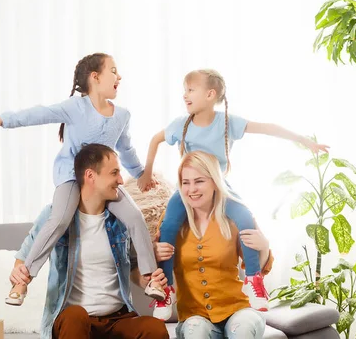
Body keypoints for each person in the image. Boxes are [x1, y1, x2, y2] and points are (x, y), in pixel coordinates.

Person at [0, 53, 162, 305]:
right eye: (113, 71)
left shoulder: (122, 116)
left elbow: (126, 150)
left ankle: (150, 279)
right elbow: (39, 114)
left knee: (135, 217)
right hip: (72, 177)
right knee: (59, 219)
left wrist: (140, 175)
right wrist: (3, 120)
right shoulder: (75, 107)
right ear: (95, 77)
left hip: (104, 182)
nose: (119, 76)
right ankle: (23, 279)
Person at [138, 68, 329, 318]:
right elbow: (155, 140)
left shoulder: (226, 123)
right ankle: (165, 291)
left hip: (220, 187)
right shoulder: (180, 125)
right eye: (184, 90)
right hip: (190, 188)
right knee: (168, 230)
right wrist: (147, 172)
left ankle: (253, 278)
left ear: (210, 94)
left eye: (190, 90)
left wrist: (305, 141)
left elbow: (268, 128)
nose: (185, 95)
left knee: (246, 219)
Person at [11, 143, 169, 339]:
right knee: (76, 316)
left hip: (117, 319)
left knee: (154, 330)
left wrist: (146, 281)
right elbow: (25, 255)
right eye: (114, 173)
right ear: (90, 176)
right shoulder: (55, 216)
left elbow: (134, 267)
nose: (121, 180)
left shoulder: (121, 220)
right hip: (73, 320)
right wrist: (19, 273)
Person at [154, 150, 272, 338]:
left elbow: (259, 264)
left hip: (238, 310)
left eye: (199, 181)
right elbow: (149, 272)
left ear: (215, 182)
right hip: (194, 315)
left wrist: (264, 246)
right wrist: (155, 254)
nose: (192, 189)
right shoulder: (170, 224)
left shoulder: (234, 219)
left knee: (243, 328)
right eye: (186, 183)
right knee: (196, 331)